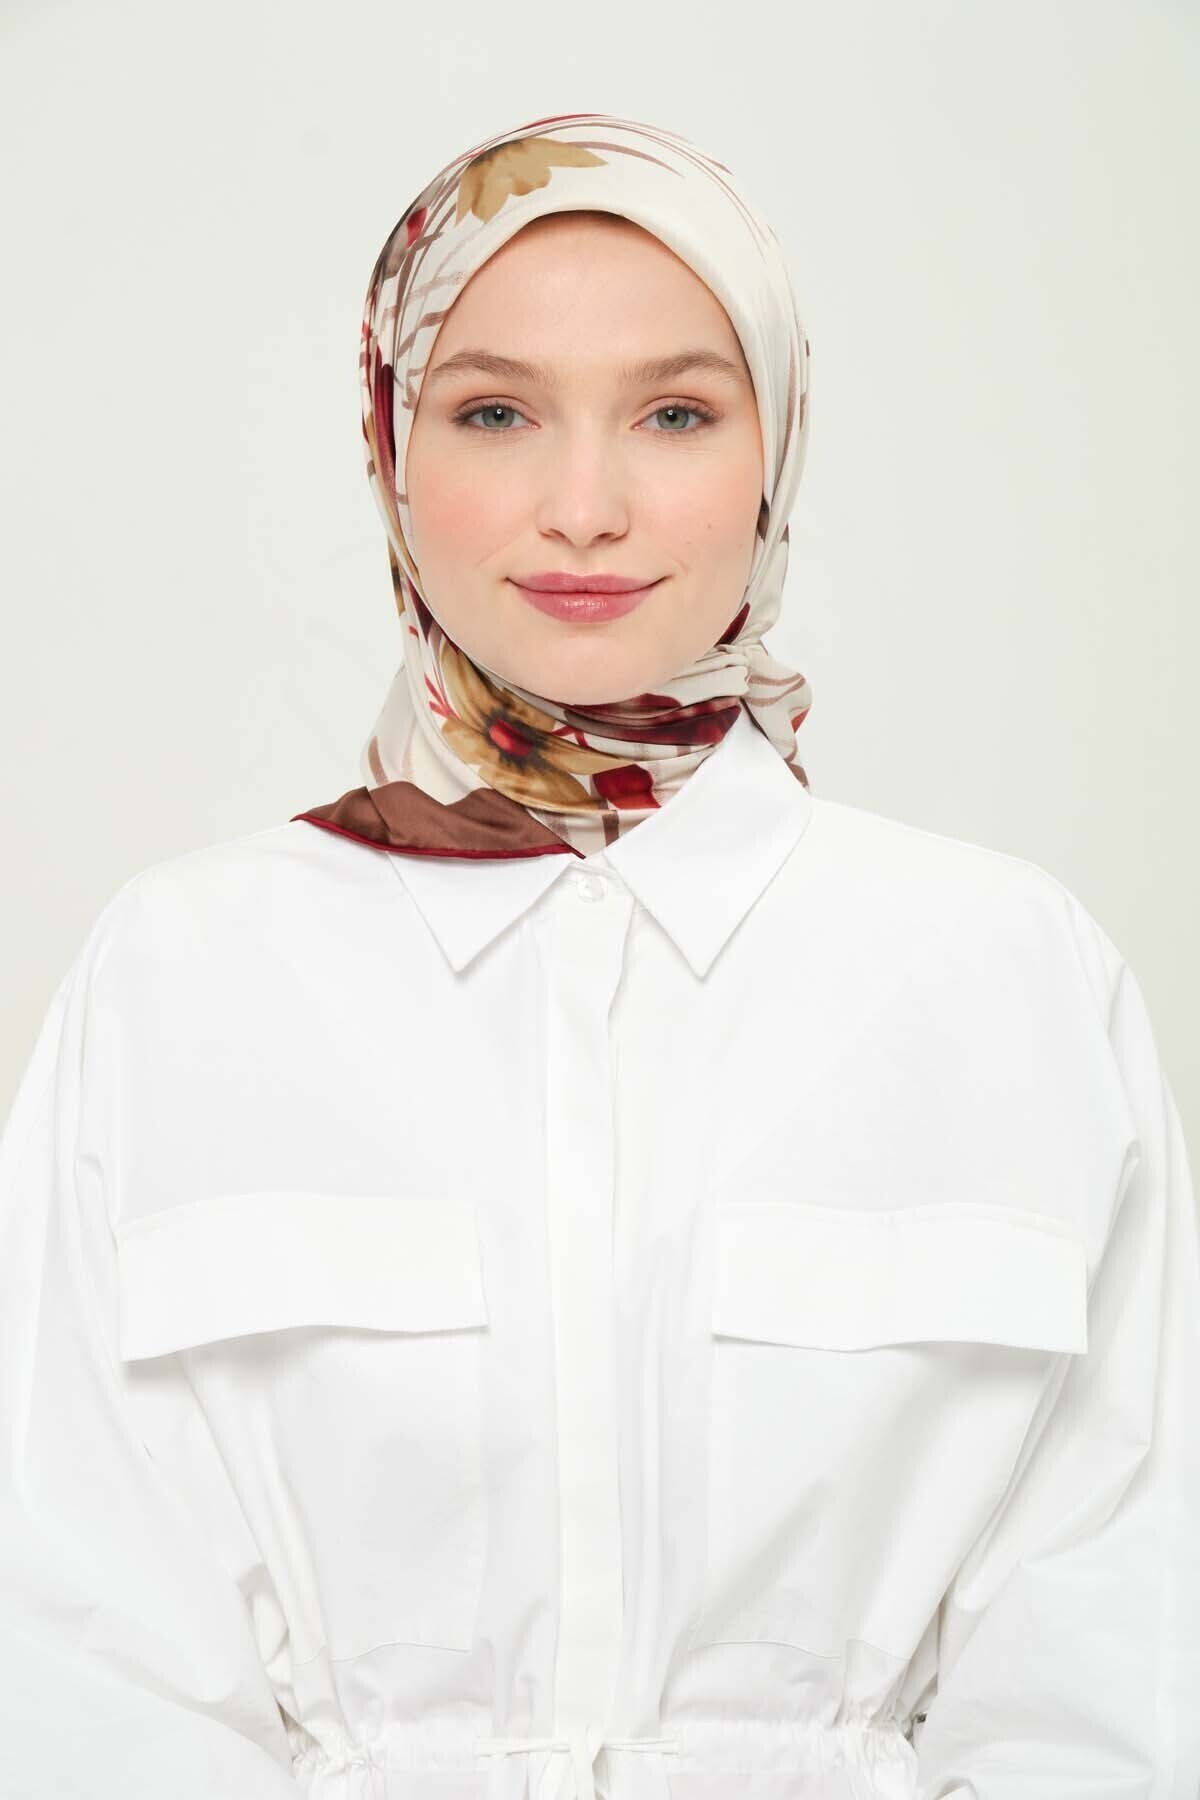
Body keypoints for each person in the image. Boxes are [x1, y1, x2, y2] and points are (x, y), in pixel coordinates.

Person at [1, 110, 1197, 1800]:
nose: (586, 508)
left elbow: (1113, 1671)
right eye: (495, 412)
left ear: (776, 448)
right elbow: (76, 1661)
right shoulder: (178, 980)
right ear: (388, 444)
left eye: (676, 413)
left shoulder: (1009, 978)